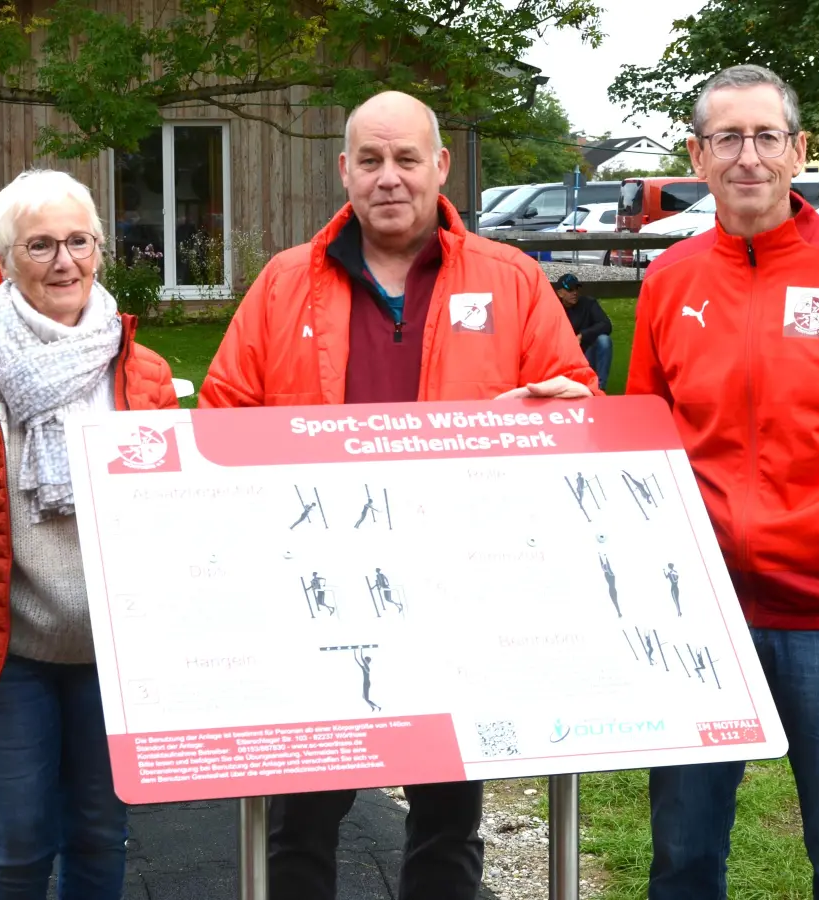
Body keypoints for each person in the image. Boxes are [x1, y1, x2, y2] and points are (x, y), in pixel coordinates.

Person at [200, 89, 599, 900]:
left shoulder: (513, 281)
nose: (390, 178)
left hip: (456, 599)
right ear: (344, 170)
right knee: (302, 819)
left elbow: (578, 411)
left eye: (407, 159)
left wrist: (546, 418)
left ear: (440, 167)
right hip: (317, 599)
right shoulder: (283, 286)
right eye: (371, 160)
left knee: (447, 817)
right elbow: (220, 422)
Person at [627, 64, 819, 900]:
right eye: (727, 138)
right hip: (701, 619)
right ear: (698, 156)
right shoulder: (669, 282)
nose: (748, 157)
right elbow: (642, 452)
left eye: (767, 136)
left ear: (799, 151)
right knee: (683, 862)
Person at [0, 169, 179, 900]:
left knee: (97, 833)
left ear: (99, 250)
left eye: (79, 241)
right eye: (40, 244)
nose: (64, 261)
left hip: (112, 654)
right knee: (19, 838)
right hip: (7, 647)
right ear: (4, 257)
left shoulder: (142, 372)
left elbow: (171, 516)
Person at [555, 272, 614, 390]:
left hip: (586, 352)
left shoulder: (588, 303)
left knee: (604, 340)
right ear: (560, 293)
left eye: (576, 288)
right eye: (570, 290)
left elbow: (606, 325)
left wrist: (582, 335)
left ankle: (599, 388)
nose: (575, 292)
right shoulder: (554, 308)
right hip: (564, 357)